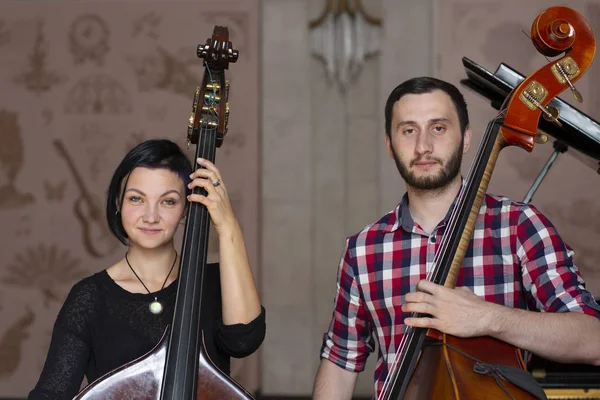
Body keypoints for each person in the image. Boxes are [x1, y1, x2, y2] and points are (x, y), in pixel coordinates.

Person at [312, 77, 600, 399]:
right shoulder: (363, 250)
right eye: (408, 130)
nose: (423, 146)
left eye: (438, 128)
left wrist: (487, 317)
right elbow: (340, 362)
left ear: (465, 139)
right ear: (389, 145)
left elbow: (593, 339)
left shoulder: (519, 226)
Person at [29, 139, 265, 399]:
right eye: (136, 199)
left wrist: (227, 225)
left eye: (168, 202)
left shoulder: (214, 282)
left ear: (186, 208)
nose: (151, 216)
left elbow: (244, 341)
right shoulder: (89, 298)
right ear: (118, 203)